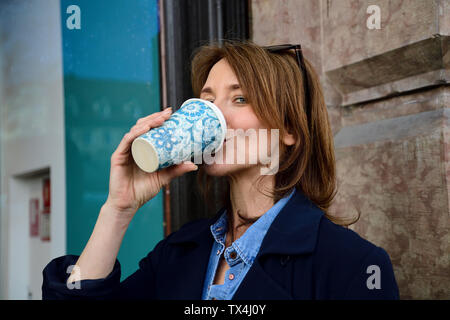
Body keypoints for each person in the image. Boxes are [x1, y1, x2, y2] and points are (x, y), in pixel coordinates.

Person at [42, 40, 399, 300]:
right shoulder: (179, 252)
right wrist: (118, 209)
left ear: (289, 130)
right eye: (207, 100)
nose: (217, 116)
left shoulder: (352, 265)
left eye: (240, 98)